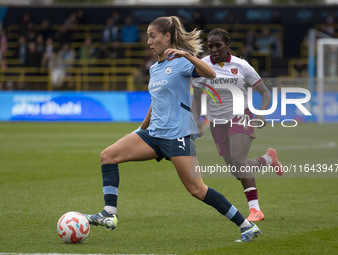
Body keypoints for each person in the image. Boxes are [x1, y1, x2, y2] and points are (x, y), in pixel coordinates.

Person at [85, 16, 260, 242]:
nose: (148, 41)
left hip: (177, 135)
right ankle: (109, 214)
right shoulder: (155, 69)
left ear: (167, 37)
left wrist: (187, 55)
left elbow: (211, 73)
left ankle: (247, 226)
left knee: (197, 190)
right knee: (108, 155)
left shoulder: (181, 61)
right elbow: (155, 103)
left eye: (152, 36)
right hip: (154, 134)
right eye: (147, 36)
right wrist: (139, 130)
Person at [191, 28, 283, 222]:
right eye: (210, 46)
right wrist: (197, 122)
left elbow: (265, 93)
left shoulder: (242, 66)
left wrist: (261, 114)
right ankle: (268, 159)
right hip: (218, 122)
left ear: (227, 45)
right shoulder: (202, 66)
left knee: (239, 159)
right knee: (236, 169)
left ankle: (255, 210)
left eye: (218, 45)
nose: (214, 50)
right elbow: (197, 99)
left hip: (241, 116)